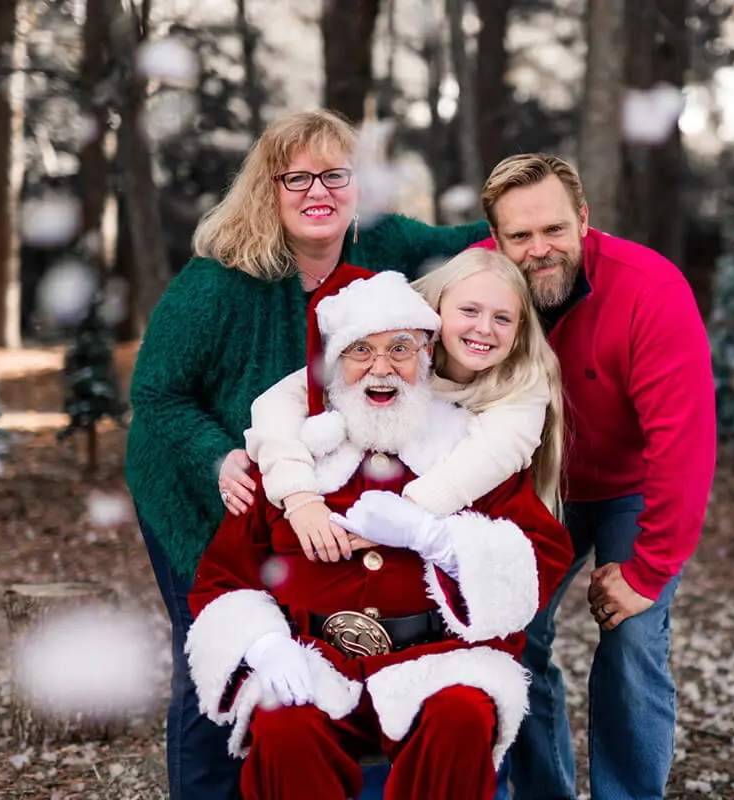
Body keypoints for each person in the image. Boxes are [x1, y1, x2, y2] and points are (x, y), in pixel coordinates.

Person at [125, 108, 489, 800]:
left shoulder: (385, 241)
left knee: (299, 651)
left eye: (334, 174)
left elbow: (469, 243)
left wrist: (548, 236)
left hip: (292, 488)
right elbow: (157, 393)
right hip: (198, 482)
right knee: (217, 650)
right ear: (269, 187)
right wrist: (217, 456)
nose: (317, 190)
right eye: (297, 177)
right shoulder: (217, 282)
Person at [184, 270, 574, 799]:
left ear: (427, 352)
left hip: (438, 661)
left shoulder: (467, 448)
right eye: (359, 350)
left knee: (461, 716)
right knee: (283, 727)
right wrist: (266, 644)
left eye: (400, 348)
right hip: (314, 657)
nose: (381, 368)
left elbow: (539, 555)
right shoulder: (291, 453)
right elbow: (224, 577)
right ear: (332, 362)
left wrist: (440, 541)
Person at [477, 154, 717, 800]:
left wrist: (648, 568)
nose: (538, 250)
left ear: (583, 220)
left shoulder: (651, 290)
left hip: (629, 487)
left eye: (553, 230)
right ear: (495, 241)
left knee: (634, 636)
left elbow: (683, 442)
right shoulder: (477, 286)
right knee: (506, 634)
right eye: (519, 237)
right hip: (531, 486)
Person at [244, 248, 565, 568]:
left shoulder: (525, 380)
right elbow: (279, 400)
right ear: (436, 311)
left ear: (520, 327)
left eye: (502, 318)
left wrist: (406, 515)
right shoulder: (400, 338)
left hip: (485, 510)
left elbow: (495, 452)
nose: (484, 328)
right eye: (469, 310)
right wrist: (299, 495)